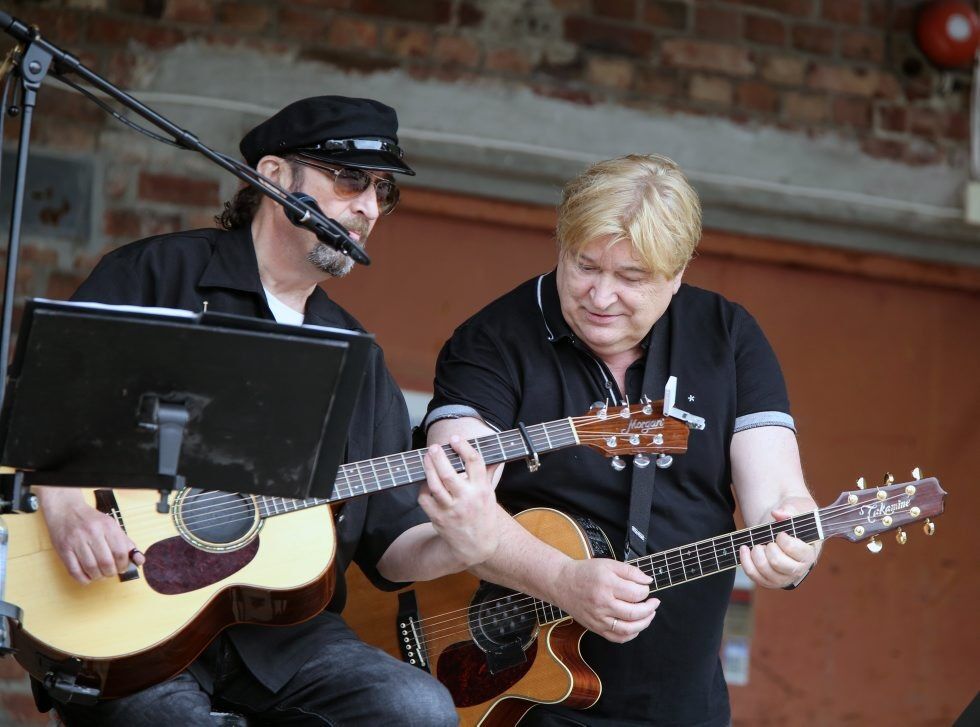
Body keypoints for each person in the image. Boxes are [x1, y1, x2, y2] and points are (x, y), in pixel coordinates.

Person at [34, 95, 500, 726]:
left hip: (282, 637)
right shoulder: (157, 276)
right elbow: (47, 402)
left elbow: (390, 548)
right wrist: (66, 508)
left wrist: (463, 535)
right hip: (123, 614)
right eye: (349, 179)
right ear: (276, 177)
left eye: (382, 192)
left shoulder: (356, 358)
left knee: (417, 710)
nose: (367, 207)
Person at [423, 154, 821, 726]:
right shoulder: (492, 340)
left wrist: (792, 548)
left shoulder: (727, 335)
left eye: (631, 278)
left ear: (677, 274)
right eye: (584, 266)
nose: (600, 297)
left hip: (680, 697)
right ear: (560, 247)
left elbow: (779, 493)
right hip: (518, 689)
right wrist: (562, 581)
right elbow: (458, 502)